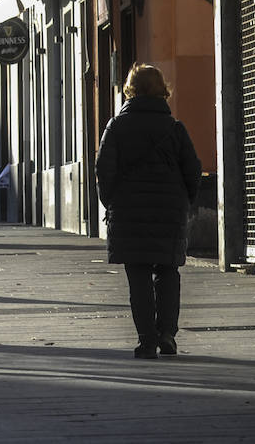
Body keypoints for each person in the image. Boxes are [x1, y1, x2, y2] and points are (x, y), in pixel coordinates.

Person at [95, 62, 201, 359]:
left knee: (138, 275)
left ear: (131, 89)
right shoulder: (175, 128)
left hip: (128, 213)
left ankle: (147, 340)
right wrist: (183, 202)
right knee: (168, 272)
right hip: (169, 212)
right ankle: (167, 334)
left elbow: (103, 169)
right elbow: (192, 170)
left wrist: (112, 202)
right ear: (161, 90)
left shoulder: (116, 126)